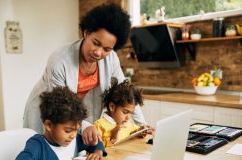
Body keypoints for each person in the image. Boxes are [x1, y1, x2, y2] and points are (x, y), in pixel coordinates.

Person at [23, 3, 147, 145]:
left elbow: (128, 95)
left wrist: (142, 125)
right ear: (86, 33)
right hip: (51, 108)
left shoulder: (111, 59)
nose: (99, 52)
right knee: (44, 150)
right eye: (96, 43)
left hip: (75, 112)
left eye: (106, 49)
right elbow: (61, 105)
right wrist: (86, 126)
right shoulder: (59, 61)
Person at [16, 86, 107, 160]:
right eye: (68, 130)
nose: (73, 135)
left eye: (76, 130)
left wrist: (97, 152)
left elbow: (95, 143)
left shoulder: (73, 140)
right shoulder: (37, 145)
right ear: (49, 125)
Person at [93, 78, 150, 147]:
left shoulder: (127, 124)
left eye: (130, 113)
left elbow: (135, 131)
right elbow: (94, 149)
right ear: (112, 107)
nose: (128, 117)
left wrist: (141, 131)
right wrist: (112, 139)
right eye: (125, 112)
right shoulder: (99, 125)